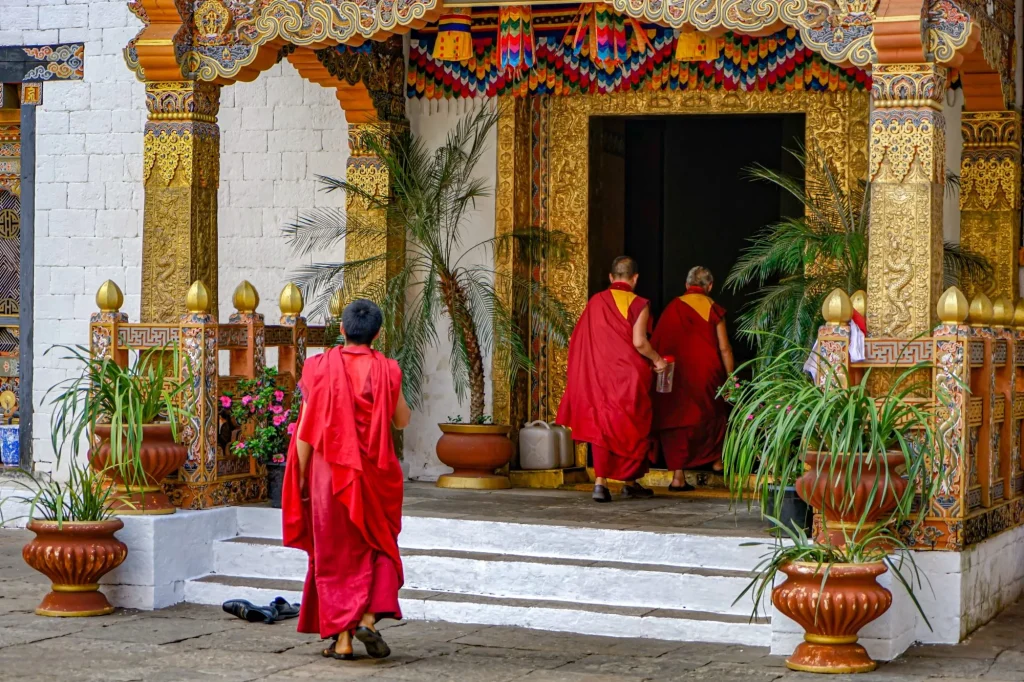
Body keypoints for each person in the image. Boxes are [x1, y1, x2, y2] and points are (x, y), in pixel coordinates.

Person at [281, 299, 412, 660]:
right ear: (377, 333)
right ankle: (368, 618)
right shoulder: (388, 369)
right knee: (380, 547)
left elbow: (307, 429)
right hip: (376, 474)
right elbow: (402, 421)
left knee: (335, 556)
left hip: (329, 475)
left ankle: (342, 640)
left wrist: (303, 477)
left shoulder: (317, 367)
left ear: (341, 329)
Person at [556, 256, 668, 503]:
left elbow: (579, 341)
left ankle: (600, 483)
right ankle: (630, 482)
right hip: (629, 376)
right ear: (635, 278)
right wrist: (658, 360)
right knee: (632, 425)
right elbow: (639, 342)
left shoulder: (596, 302)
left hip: (599, 375)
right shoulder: (638, 303)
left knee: (602, 426)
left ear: (610, 277)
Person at [651, 266, 734, 491]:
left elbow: (657, 342)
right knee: (715, 414)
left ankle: (678, 477)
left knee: (678, 419)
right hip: (708, 373)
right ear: (710, 286)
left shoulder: (673, 307)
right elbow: (724, 348)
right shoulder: (712, 308)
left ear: (687, 285)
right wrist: (731, 378)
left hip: (676, 374)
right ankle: (717, 461)